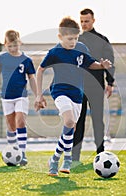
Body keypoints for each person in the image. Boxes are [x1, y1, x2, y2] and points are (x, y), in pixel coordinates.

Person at [35, 16, 112, 176]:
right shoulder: (55, 52)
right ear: (60, 37)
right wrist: (38, 95)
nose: (73, 42)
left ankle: (58, 158)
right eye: (70, 39)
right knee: (69, 121)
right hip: (60, 91)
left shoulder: (81, 48)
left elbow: (89, 63)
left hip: (77, 94)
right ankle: (64, 159)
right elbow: (41, 69)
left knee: (71, 127)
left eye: (76, 38)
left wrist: (102, 66)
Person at [72, 8, 115, 162]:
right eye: (81, 21)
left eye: (87, 21)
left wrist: (110, 82)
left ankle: (100, 154)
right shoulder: (76, 40)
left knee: (98, 121)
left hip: (96, 86)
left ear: (93, 20)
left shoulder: (102, 39)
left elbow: (110, 62)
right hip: (79, 87)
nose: (84, 24)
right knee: (78, 121)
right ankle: (75, 157)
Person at [0, 30, 38, 166]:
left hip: (21, 96)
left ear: (20, 43)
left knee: (20, 121)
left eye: (15, 45)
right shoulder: (2, 58)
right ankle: (12, 151)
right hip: (6, 97)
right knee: (11, 125)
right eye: (10, 46)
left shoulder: (27, 60)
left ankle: (22, 154)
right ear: (5, 44)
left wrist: (37, 96)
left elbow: (32, 78)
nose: (13, 48)